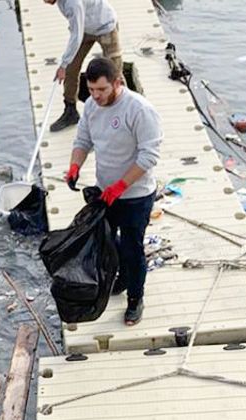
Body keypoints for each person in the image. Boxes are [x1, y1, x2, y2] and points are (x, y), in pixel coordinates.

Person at [65, 57, 162, 326]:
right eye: (92, 90)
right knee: (105, 241)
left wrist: (121, 186)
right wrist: (75, 165)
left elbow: (148, 156)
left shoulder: (139, 110)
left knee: (133, 249)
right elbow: (82, 140)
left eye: (102, 90)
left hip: (135, 195)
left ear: (118, 83)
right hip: (105, 192)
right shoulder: (92, 107)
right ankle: (123, 276)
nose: (95, 96)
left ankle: (135, 299)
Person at [44, 0, 121, 132]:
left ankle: (121, 113)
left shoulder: (73, 3)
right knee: (71, 68)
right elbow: (76, 29)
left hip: (105, 26)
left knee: (114, 74)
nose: (44, 2)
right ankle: (71, 111)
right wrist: (66, 65)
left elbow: (76, 35)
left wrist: (62, 65)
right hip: (85, 27)